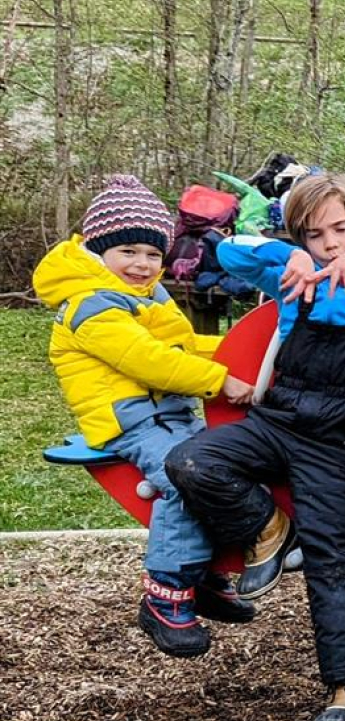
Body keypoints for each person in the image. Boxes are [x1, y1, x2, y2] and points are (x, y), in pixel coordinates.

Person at [166, 174, 345, 721]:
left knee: (334, 559)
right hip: (276, 421)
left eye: (341, 229)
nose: (330, 243)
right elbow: (229, 250)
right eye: (316, 235)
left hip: (336, 443)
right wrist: (284, 254)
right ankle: (269, 530)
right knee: (191, 461)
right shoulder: (290, 278)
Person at [33, 175, 258, 658]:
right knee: (185, 476)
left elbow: (180, 346)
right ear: (98, 252)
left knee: (227, 464)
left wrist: (245, 353)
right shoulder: (91, 306)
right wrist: (219, 380)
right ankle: (165, 591)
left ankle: (205, 575)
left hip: (167, 414)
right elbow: (145, 359)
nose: (142, 264)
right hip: (129, 421)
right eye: (128, 252)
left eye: (153, 254)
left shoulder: (146, 297)